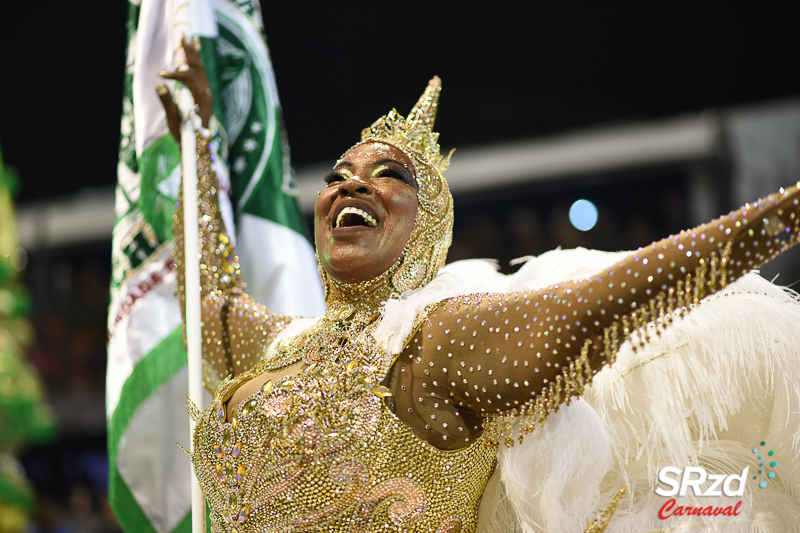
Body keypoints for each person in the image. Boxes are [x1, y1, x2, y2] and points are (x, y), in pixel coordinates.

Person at [159, 38, 800, 532]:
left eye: (389, 176)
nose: (351, 183)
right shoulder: (279, 349)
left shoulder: (439, 342)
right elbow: (207, 292)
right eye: (339, 174)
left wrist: (788, 214)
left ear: (429, 225)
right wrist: (197, 142)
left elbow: (616, 299)